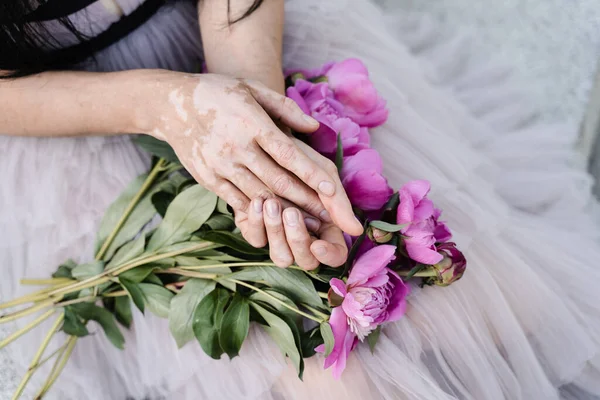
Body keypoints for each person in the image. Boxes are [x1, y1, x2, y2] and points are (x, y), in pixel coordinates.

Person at [1, 0, 599, 399]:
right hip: (70, 107)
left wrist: (261, 115)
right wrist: (166, 108)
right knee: (334, 383)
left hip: (236, 26)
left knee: (510, 310)